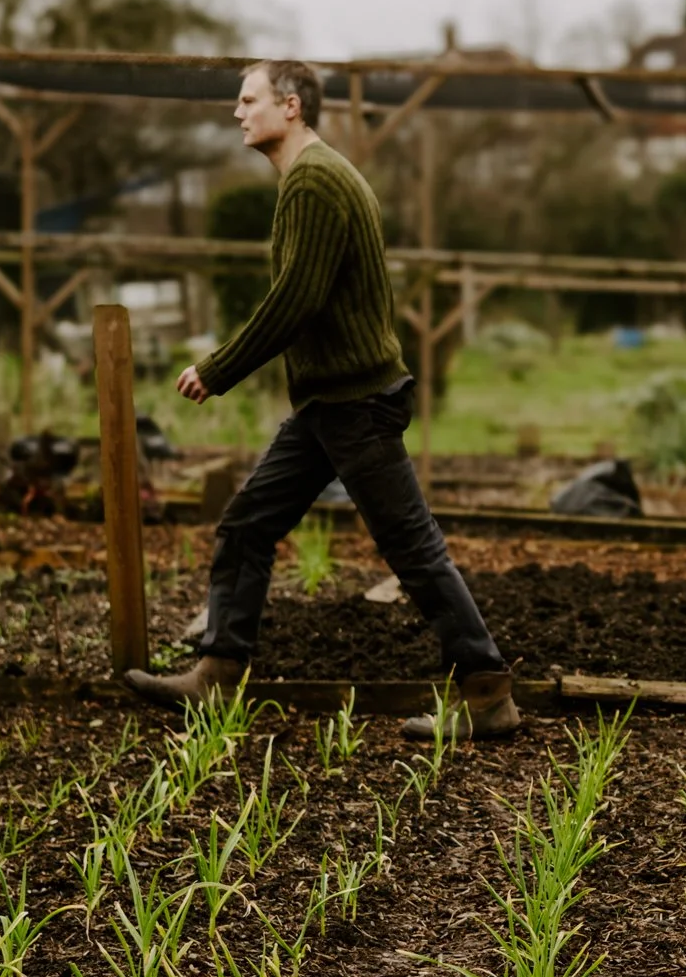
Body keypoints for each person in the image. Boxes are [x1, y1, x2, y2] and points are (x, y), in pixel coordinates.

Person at [124, 58, 516, 743]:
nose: (237, 112)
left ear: (292, 104)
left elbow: (295, 302)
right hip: (333, 402)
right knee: (247, 524)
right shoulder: (313, 177)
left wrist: (218, 369)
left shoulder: (313, 181)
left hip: (355, 402)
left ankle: (486, 692)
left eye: (248, 99)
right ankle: (219, 673)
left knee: (414, 551)